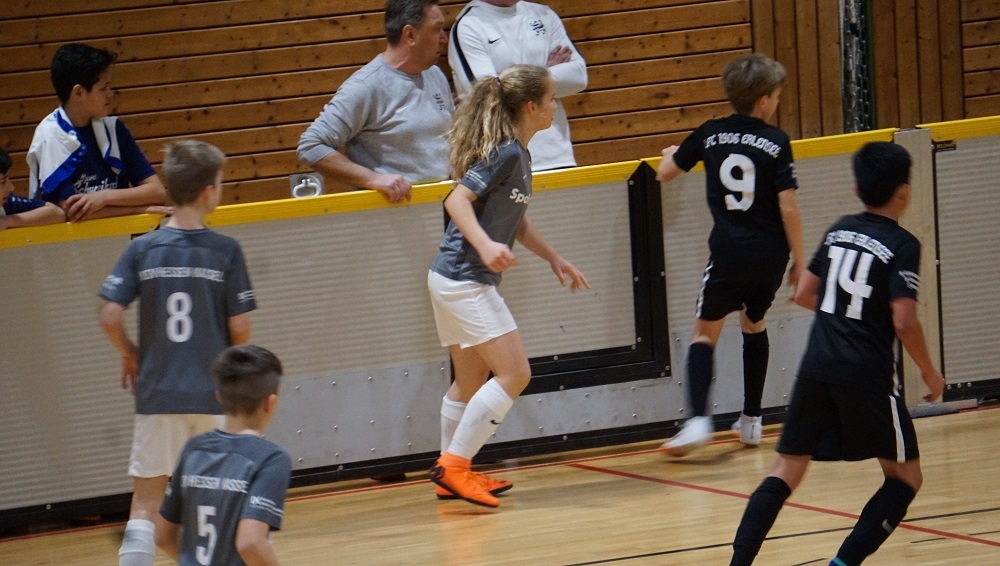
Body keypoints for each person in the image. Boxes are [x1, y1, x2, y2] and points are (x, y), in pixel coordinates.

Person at [729, 141, 946, 565]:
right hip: (866, 373)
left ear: (856, 188)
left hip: (817, 365)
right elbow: (904, 320)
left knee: (784, 471)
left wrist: (845, 313)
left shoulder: (840, 229)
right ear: (904, 192)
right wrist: (929, 373)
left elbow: (804, 294)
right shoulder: (903, 243)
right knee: (905, 478)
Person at [426, 64, 590, 508]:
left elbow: (516, 220)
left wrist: (554, 257)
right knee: (516, 374)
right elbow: (456, 199)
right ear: (531, 106)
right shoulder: (506, 153)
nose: (556, 106)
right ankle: (454, 467)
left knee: (469, 382)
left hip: (451, 279)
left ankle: (448, 473)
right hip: (463, 279)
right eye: (552, 98)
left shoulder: (519, 153)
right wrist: (483, 244)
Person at [99, 140, 257, 566]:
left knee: (146, 506)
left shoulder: (142, 248)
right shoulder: (225, 250)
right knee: (216, 503)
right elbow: (241, 329)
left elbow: (110, 316)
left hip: (158, 395)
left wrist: (131, 354)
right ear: (208, 192)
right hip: (212, 396)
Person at [656, 53, 805, 456]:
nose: (777, 102)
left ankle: (697, 421)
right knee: (754, 324)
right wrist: (800, 261)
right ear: (763, 101)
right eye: (777, 96)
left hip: (729, 251)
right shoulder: (777, 142)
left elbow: (665, 174)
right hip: (771, 254)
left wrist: (672, 153)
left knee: (705, 334)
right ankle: (752, 420)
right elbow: (788, 207)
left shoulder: (709, 133)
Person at [296, 0, 453, 204]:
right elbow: (310, 146)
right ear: (410, 35)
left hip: (442, 205)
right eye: (437, 29)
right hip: (393, 210)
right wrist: (373, 179)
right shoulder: (365, 87)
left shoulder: (435, 75)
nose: (444, 39)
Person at [155, 344, 292, 566]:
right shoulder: (271, 459)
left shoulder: (194, 448)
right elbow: (250, 543)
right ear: (270, 402)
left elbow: (162, 537)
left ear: (219, 396)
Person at [27, 43, 170, 222]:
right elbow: (71, 212)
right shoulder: (50, 136)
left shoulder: (115, 128)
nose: (110, 94)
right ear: (78, 93)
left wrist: (104, 197)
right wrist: (136, 209)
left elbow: (157, 192)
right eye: (103, 88)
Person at [448, 0, 587, 172]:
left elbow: (578, 76)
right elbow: (490, 95)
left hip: (558, 156)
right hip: (505, 163)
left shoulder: (544, 15)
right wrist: (545, 73)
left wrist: (510, 78)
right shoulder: (468, 25)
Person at [1, 147, 65, 230]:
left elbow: (57, 213)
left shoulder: (8, 203)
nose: (11, 188)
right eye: (2, 182)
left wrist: (8, 220)